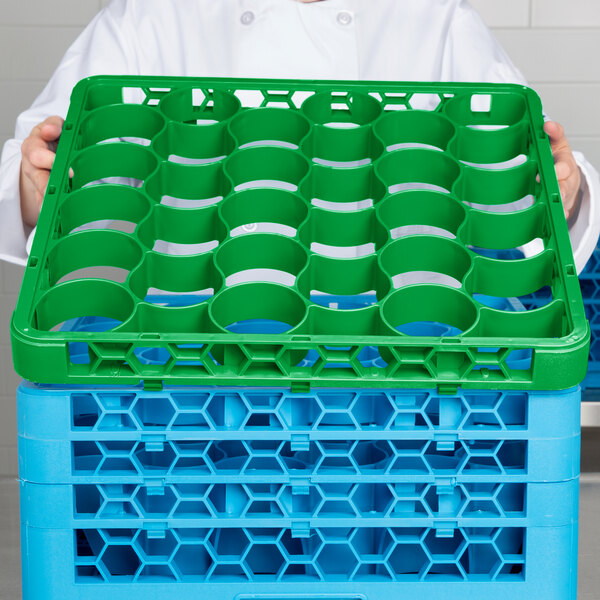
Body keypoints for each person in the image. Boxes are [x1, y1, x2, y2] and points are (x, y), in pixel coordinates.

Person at [0, 0, 598, 272]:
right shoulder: (146, 21)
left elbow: (522, 195)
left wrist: (561, 195)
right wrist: (36, 194)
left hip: (402, 370)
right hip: (180, 364)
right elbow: (43, 173)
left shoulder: (439, 21)